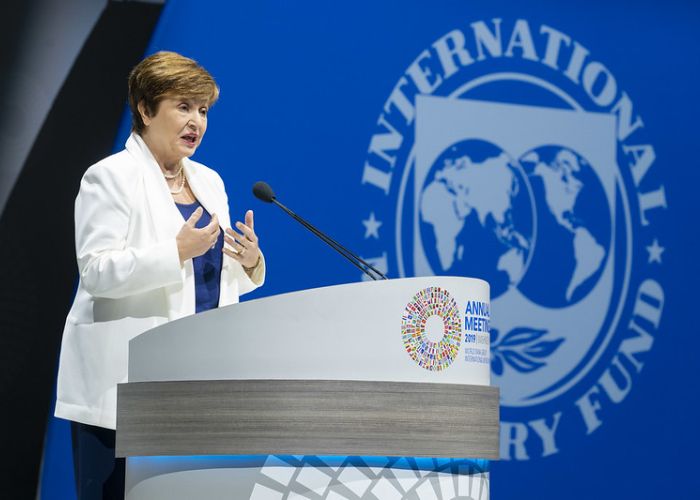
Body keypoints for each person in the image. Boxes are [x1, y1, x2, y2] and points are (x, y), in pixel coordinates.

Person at [54, 51, 265, 499]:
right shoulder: (109, 177)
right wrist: (174, 251)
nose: (197, 122)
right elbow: (96, 271)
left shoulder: (210, 182)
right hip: (123, 389)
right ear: (146, 110)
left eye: (203, 109)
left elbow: (209, 280)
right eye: (183, 106)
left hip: (193, 385)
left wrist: (247, 264)